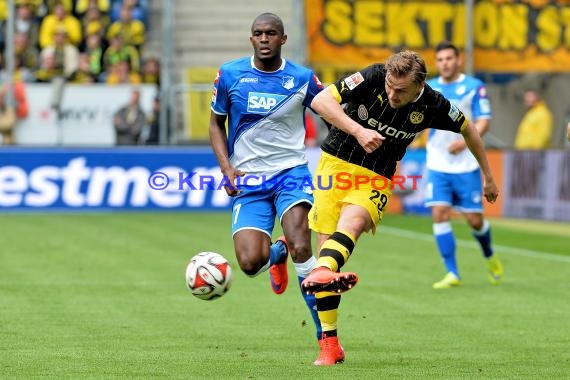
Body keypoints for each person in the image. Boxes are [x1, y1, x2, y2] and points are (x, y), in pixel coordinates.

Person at [300, 50, 500, 365]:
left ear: (419, 85)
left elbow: (469, 129)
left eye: (401, 90)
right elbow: (322, 101)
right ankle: (330, 344)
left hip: (377, 176)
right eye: (390, 86)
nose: (392, 93)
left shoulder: (434, 104)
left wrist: (488, 176)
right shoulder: (374, 76)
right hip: (333, 165)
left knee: (351, 226)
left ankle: (323, 272)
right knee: (328, 260)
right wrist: (358, 130)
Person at [208, 13, 324, 352]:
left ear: (283, 39)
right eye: (258, 33)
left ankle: (325, 337)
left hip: (291, 173)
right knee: (248, 264)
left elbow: (329, 108)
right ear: (251, 39)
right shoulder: (230, 74)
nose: (264, 39)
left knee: (303, 245)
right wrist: (227, 169)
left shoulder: (301, 78)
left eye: (271, 33)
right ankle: (276, 254)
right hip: (249, 179)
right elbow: (216, 124)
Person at [424, 42, 504, 289]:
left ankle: (490, 256)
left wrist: (464, 141)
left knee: (474, 221)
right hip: (437, 162)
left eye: (449, 58)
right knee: (439, 213)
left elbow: (484, 122)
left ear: (458, 60)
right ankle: (452, 273)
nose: (445, 63)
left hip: (466, 164)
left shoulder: (473, 87)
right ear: (436, 63)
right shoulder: (430, 89)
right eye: (440, 59)